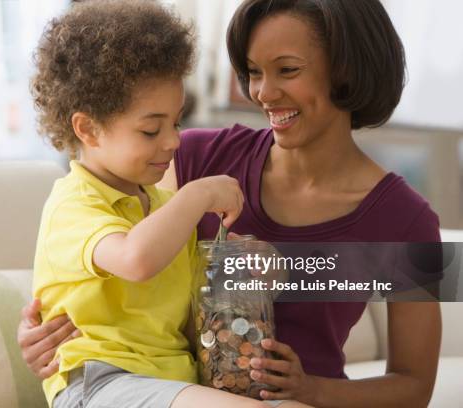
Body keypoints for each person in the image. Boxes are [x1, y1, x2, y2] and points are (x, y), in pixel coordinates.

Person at [21, 0, 442, 406]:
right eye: (254, 72)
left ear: (348, 68)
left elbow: (414, 387)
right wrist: (40, 331)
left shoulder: (409, 222)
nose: (263, 92)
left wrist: (310, 390)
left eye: (288, 70)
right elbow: (125, 271)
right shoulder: (188, 157)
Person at [29, 1, 311, 407]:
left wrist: (254, 264)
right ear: (88, 128)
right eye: (150, 129)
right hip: (100, 383)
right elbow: (136, 259)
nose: (174, 141)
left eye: (176, 122)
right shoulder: (73, 204)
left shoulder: (162, 209)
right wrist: (196, 194)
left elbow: (204, 289)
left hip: (173, 382)